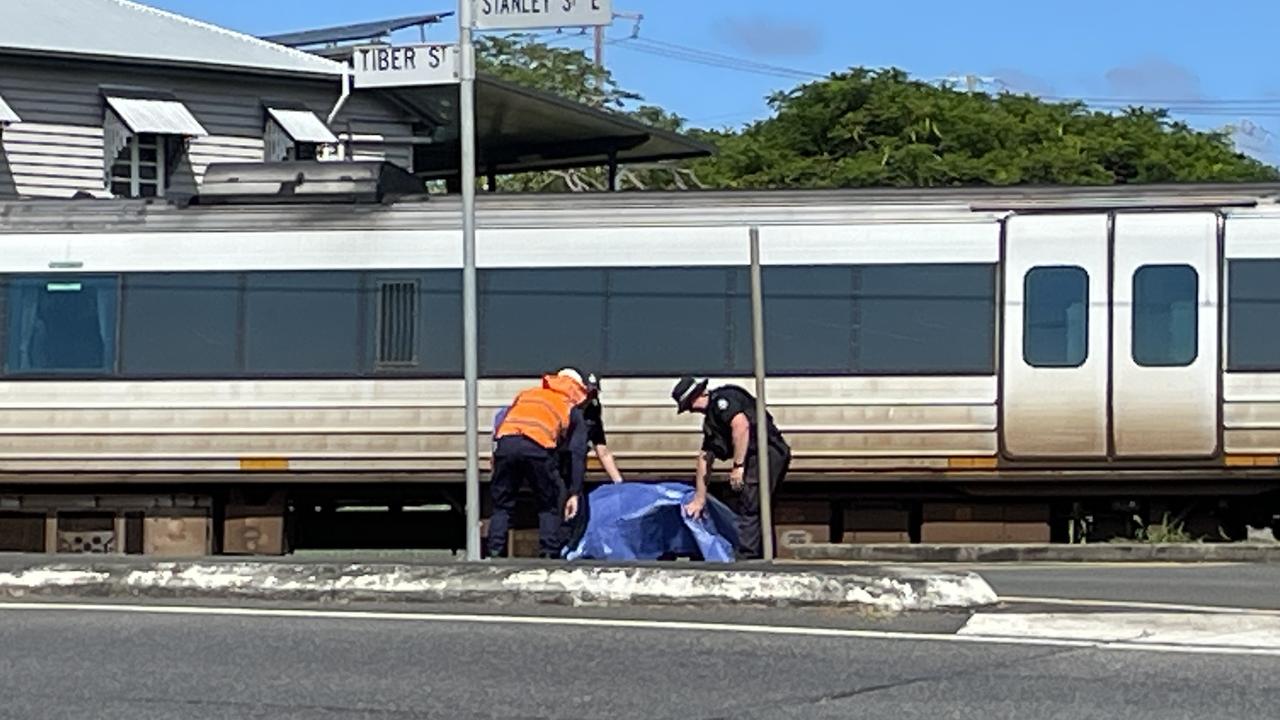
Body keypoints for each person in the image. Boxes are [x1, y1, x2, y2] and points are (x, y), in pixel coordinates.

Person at [671, 376, 791, 560]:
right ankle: (764, 556)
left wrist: (738, 466)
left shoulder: (723, 401)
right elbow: (705, 459)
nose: (690, 411)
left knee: (751, 504)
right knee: (759, 506)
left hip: (766, 452)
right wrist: (699, 499)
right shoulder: (712, 422)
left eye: (688, 405)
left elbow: (741, 426)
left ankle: (748, 558)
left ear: (696, 397)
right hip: (763, 455)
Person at [489, 368, 590, 559]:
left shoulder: (527, 395)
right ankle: (548, 554)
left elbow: (501, 423)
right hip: (537, 448)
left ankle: (495, 552)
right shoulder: (569, 407)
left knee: (502, 504)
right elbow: (577, 453)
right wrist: (575, 492)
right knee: (549, 503)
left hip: (506, 445)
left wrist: (495, 457)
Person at [558, 370, 625, 552]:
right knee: (560, 509)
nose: (591, 396)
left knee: (578, 512)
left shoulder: (593, 412)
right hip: (559, 466)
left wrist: (619, 483)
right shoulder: (565, 409)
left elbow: (602, 450)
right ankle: (558, 552)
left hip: (576, 469)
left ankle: (571, 549)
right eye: (588, 391)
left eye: (594, 392)